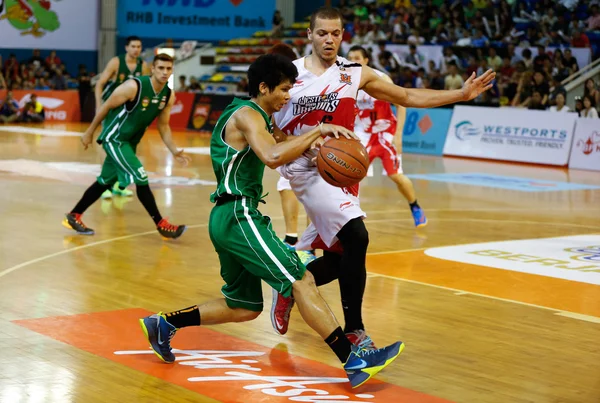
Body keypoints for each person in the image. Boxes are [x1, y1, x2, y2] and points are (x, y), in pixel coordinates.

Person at [139, 54, 404, 389]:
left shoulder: (254, 114)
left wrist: (316, 146)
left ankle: (163, 324)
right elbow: (273, 156)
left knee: (244, 306)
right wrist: (319, 129)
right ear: (263, 88)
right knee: (301, 280)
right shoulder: (249, 115)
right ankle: (354, 361)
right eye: (282, 89)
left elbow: (282, 143)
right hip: (240, 214)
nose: (287, 96)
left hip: (226, 217)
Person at [270, 7, 494, 346]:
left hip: (341, 168)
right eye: (322, 33)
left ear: (343, 35)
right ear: (310, 35)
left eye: (335, 33)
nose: (329, 39)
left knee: (338, 256)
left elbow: (405, 95)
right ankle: (355, 331)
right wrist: (301, 147)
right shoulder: (291, 74)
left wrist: (460, 95)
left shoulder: (354, 73)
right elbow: (273, 128)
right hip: (305, 166)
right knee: (357, 236)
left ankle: (291, 287)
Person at [62, 54, 189, 238]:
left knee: (105, 181)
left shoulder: (168, 95)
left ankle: (73, 216)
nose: (164, 72)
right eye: (160, 68)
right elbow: (105, 107)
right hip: (115, 139)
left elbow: (163, 126)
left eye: (168, 69)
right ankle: (162, 224)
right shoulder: (133, 87)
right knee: (140, 176)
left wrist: (174, 150)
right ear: (152, 69)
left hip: (129, 142)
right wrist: (89, 132)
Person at [348, 45, 427, 228]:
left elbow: (401, 103)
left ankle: (415, 206)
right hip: (362, 134)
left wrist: (398, 135)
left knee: (395, 175)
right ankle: (351, 215)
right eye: (351, 57)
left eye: (357, 57)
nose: (354, 60)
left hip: (385, 133)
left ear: (366, 60)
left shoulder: (381, 78)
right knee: (351, 175)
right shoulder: (345, 81)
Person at [267, 43, 316, 256]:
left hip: (305, 139)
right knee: (285, 185)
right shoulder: (274, 83)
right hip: (287, 140)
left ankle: (309, 243)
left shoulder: (303, 81)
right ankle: (292, 238)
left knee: (313, 192)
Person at [94, 35, 149, 199]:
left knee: (128, 146)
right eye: (133, 46)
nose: (136, 49)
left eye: (139, 46)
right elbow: (99, 83)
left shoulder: (143, 66)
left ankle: (119, 184)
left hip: (129, 112)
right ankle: (104, 184)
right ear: (126, 48)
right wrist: (99, 106)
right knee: (109, 145)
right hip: (112, 109)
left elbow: (145, 88)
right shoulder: (116, 62)